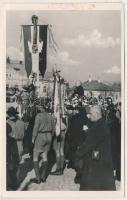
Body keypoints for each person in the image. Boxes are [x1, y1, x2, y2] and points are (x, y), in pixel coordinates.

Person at [76, 105, 116, 191]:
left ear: (97, 114)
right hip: (101, 158)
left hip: (97, 160)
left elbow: (89, 144)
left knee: (92, 185)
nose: (89, 116)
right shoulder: (102, 123)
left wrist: (78, 153)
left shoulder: (98, 127)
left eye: (90, 113)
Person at [32, 105, 55, 183]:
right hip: (48, 136)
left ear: (42, 109)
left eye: (39, 108)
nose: (38, 109)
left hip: (40, 135)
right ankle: (43, 177)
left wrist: (33, 137)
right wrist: (50, 136)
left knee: (35, 156)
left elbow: (36, 127)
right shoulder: (50, 116)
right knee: (45, 156)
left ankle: (38, 178)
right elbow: (53, 129)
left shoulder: (38, 116)